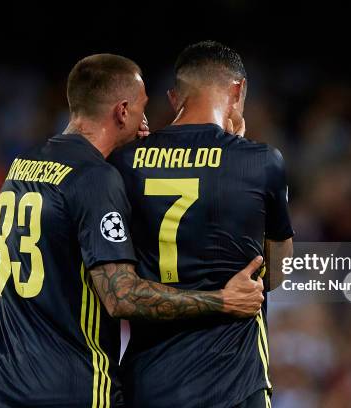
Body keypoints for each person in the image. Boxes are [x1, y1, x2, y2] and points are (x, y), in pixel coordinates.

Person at [0, 54, 265, 408]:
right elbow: (121, 296)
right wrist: (221, 300)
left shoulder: (23, 165)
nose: (146, 121)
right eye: (141, 109)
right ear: (122, 111)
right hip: (70, 388)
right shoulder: (96, 179)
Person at [110, 41, 294, 408]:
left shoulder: (124, 163)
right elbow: (275, 276)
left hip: (149, 382)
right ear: (238, 89)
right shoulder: (261, 162)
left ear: (174, 97)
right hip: (235, 384)